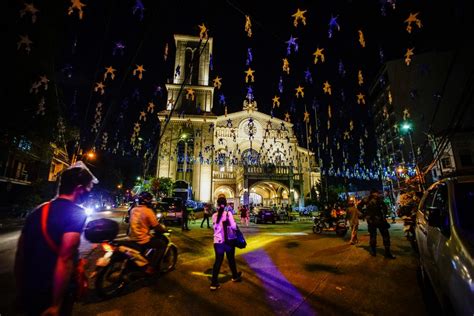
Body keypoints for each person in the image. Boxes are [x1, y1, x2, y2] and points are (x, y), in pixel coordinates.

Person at [14, 161, 98, 316]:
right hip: (50, 292)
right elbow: (64, 260)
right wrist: (56, 304)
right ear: (79, 189)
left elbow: (20, 254)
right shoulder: (75, 214)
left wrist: (20, 291)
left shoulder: (38, 210)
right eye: (88, 189)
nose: (88, 193)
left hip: (29, 289)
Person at [128, 191, 168, 274]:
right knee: (162, 245)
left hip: (132, 237)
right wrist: (164, 230)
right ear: (148, 201)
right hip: (142, 239)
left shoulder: (133, 210)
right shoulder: (148, 211)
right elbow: (156, 226)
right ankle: (151, 267)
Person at [210, 197, 242, 291]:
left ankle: (214, 283)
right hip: (228, 242)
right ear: (226, 204)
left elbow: (214, 228)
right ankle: (235, 276)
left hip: (217, 242)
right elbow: (233, 226)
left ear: (217, 204)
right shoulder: (228, 214)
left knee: (218, 261)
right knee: (231, 259)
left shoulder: (214, 215)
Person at [358, 189, 396, 259]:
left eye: (377, 193)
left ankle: (386, 252)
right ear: (373, 193)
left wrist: (384, 215)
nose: (377, 194)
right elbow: (359, 206)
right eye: (376, 193)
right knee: (374, 236)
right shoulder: (367, 199)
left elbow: (384, 208)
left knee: (384, 236)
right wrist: (365, 214)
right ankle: (374, 251)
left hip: (379, 220)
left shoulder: (379, 199)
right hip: (373, 220)